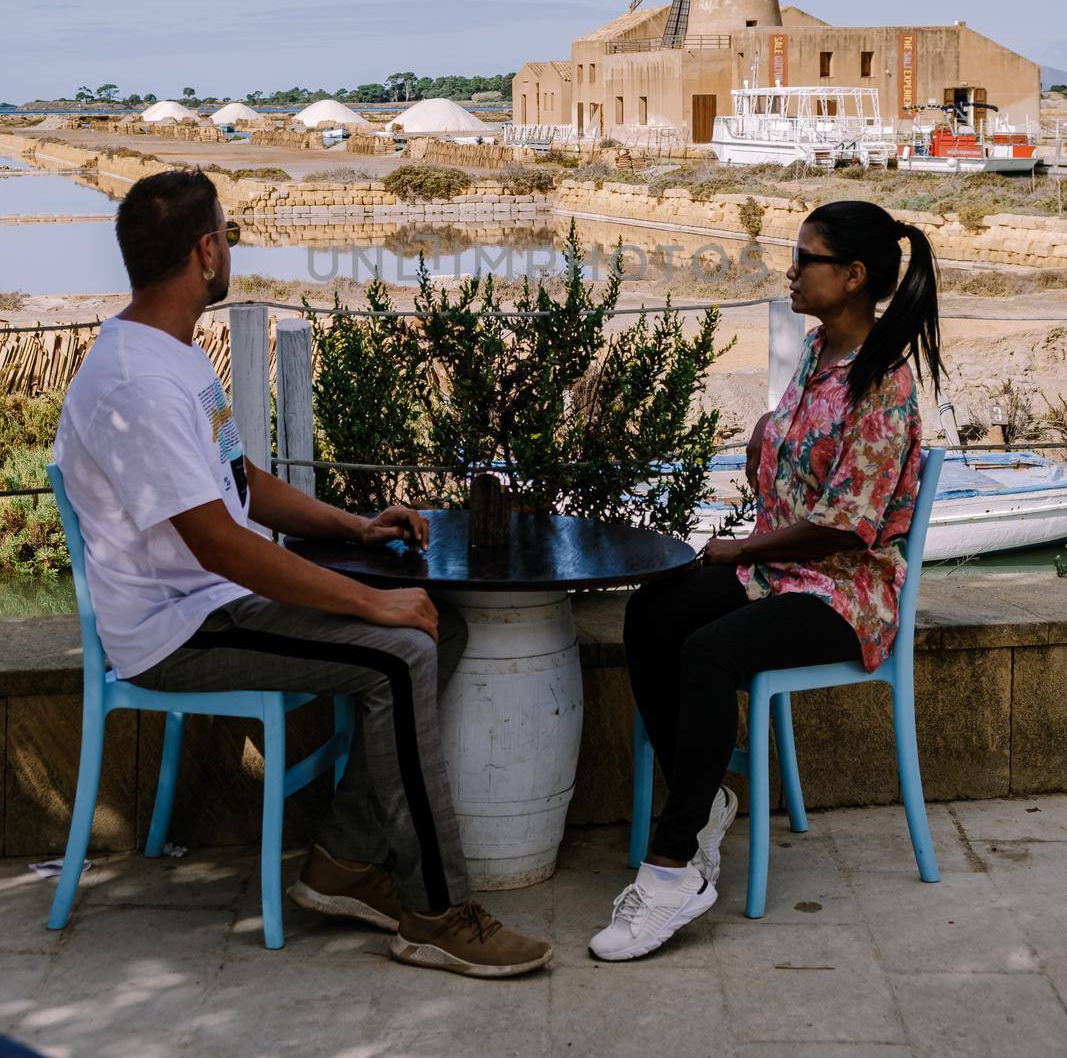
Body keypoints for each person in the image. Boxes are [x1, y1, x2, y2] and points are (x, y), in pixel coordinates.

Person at [54, 169, 551, 978]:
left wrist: (355, 525)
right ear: (206, 251)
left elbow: (244, 484)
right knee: (402, 651)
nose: (231, 250)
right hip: (182, 629)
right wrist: (373, 606)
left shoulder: (172, 356)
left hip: (219, 601)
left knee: (439, 627)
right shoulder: (137, 381)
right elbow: (221, 543)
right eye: (230, 236)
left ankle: (344, 863)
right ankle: (434, 912)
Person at [589, 200, 943, 962]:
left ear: (851, 277)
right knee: (652, 612)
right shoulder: (820, 353)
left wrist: (739, 552)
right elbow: (799, 458)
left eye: (805, 257)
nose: (790, 268)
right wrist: (766, 433)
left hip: (845, 593)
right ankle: (707, 796)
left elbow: (848, 524)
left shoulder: (884, 383)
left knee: (709, 652)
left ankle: (672, 866)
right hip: (781, 573)